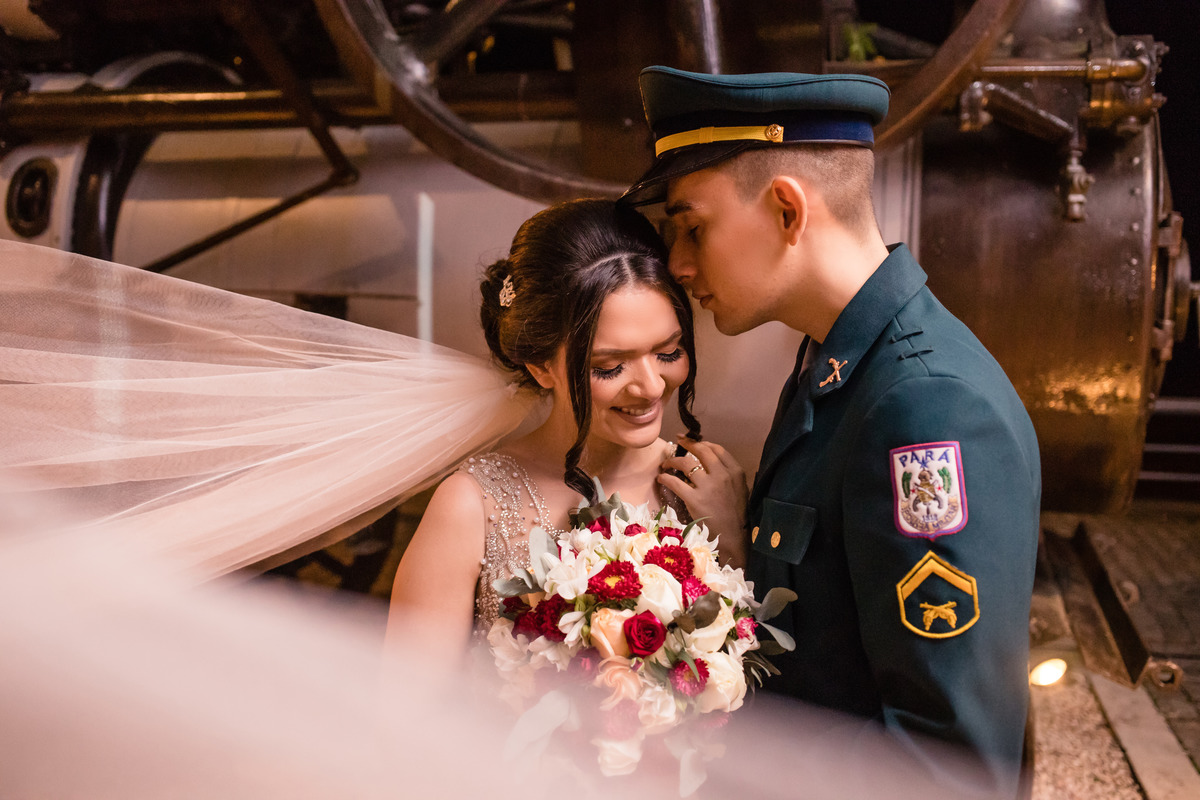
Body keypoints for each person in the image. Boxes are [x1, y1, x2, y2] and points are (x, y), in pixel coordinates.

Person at [632, 67, 1041, 797]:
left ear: (788, 210)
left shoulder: (924, 408)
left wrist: (710, 751)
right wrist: (742, 549)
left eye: (692, 228)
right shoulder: (836, 358)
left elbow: (946, 772)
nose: (679, 265)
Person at [385, 198, 747, 651]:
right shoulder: (471, 506)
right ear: (541, 366)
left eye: (668, 352)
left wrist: (734, 543)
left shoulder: (707, 488)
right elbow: (407, 695)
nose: (652, 386)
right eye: (610, 366)